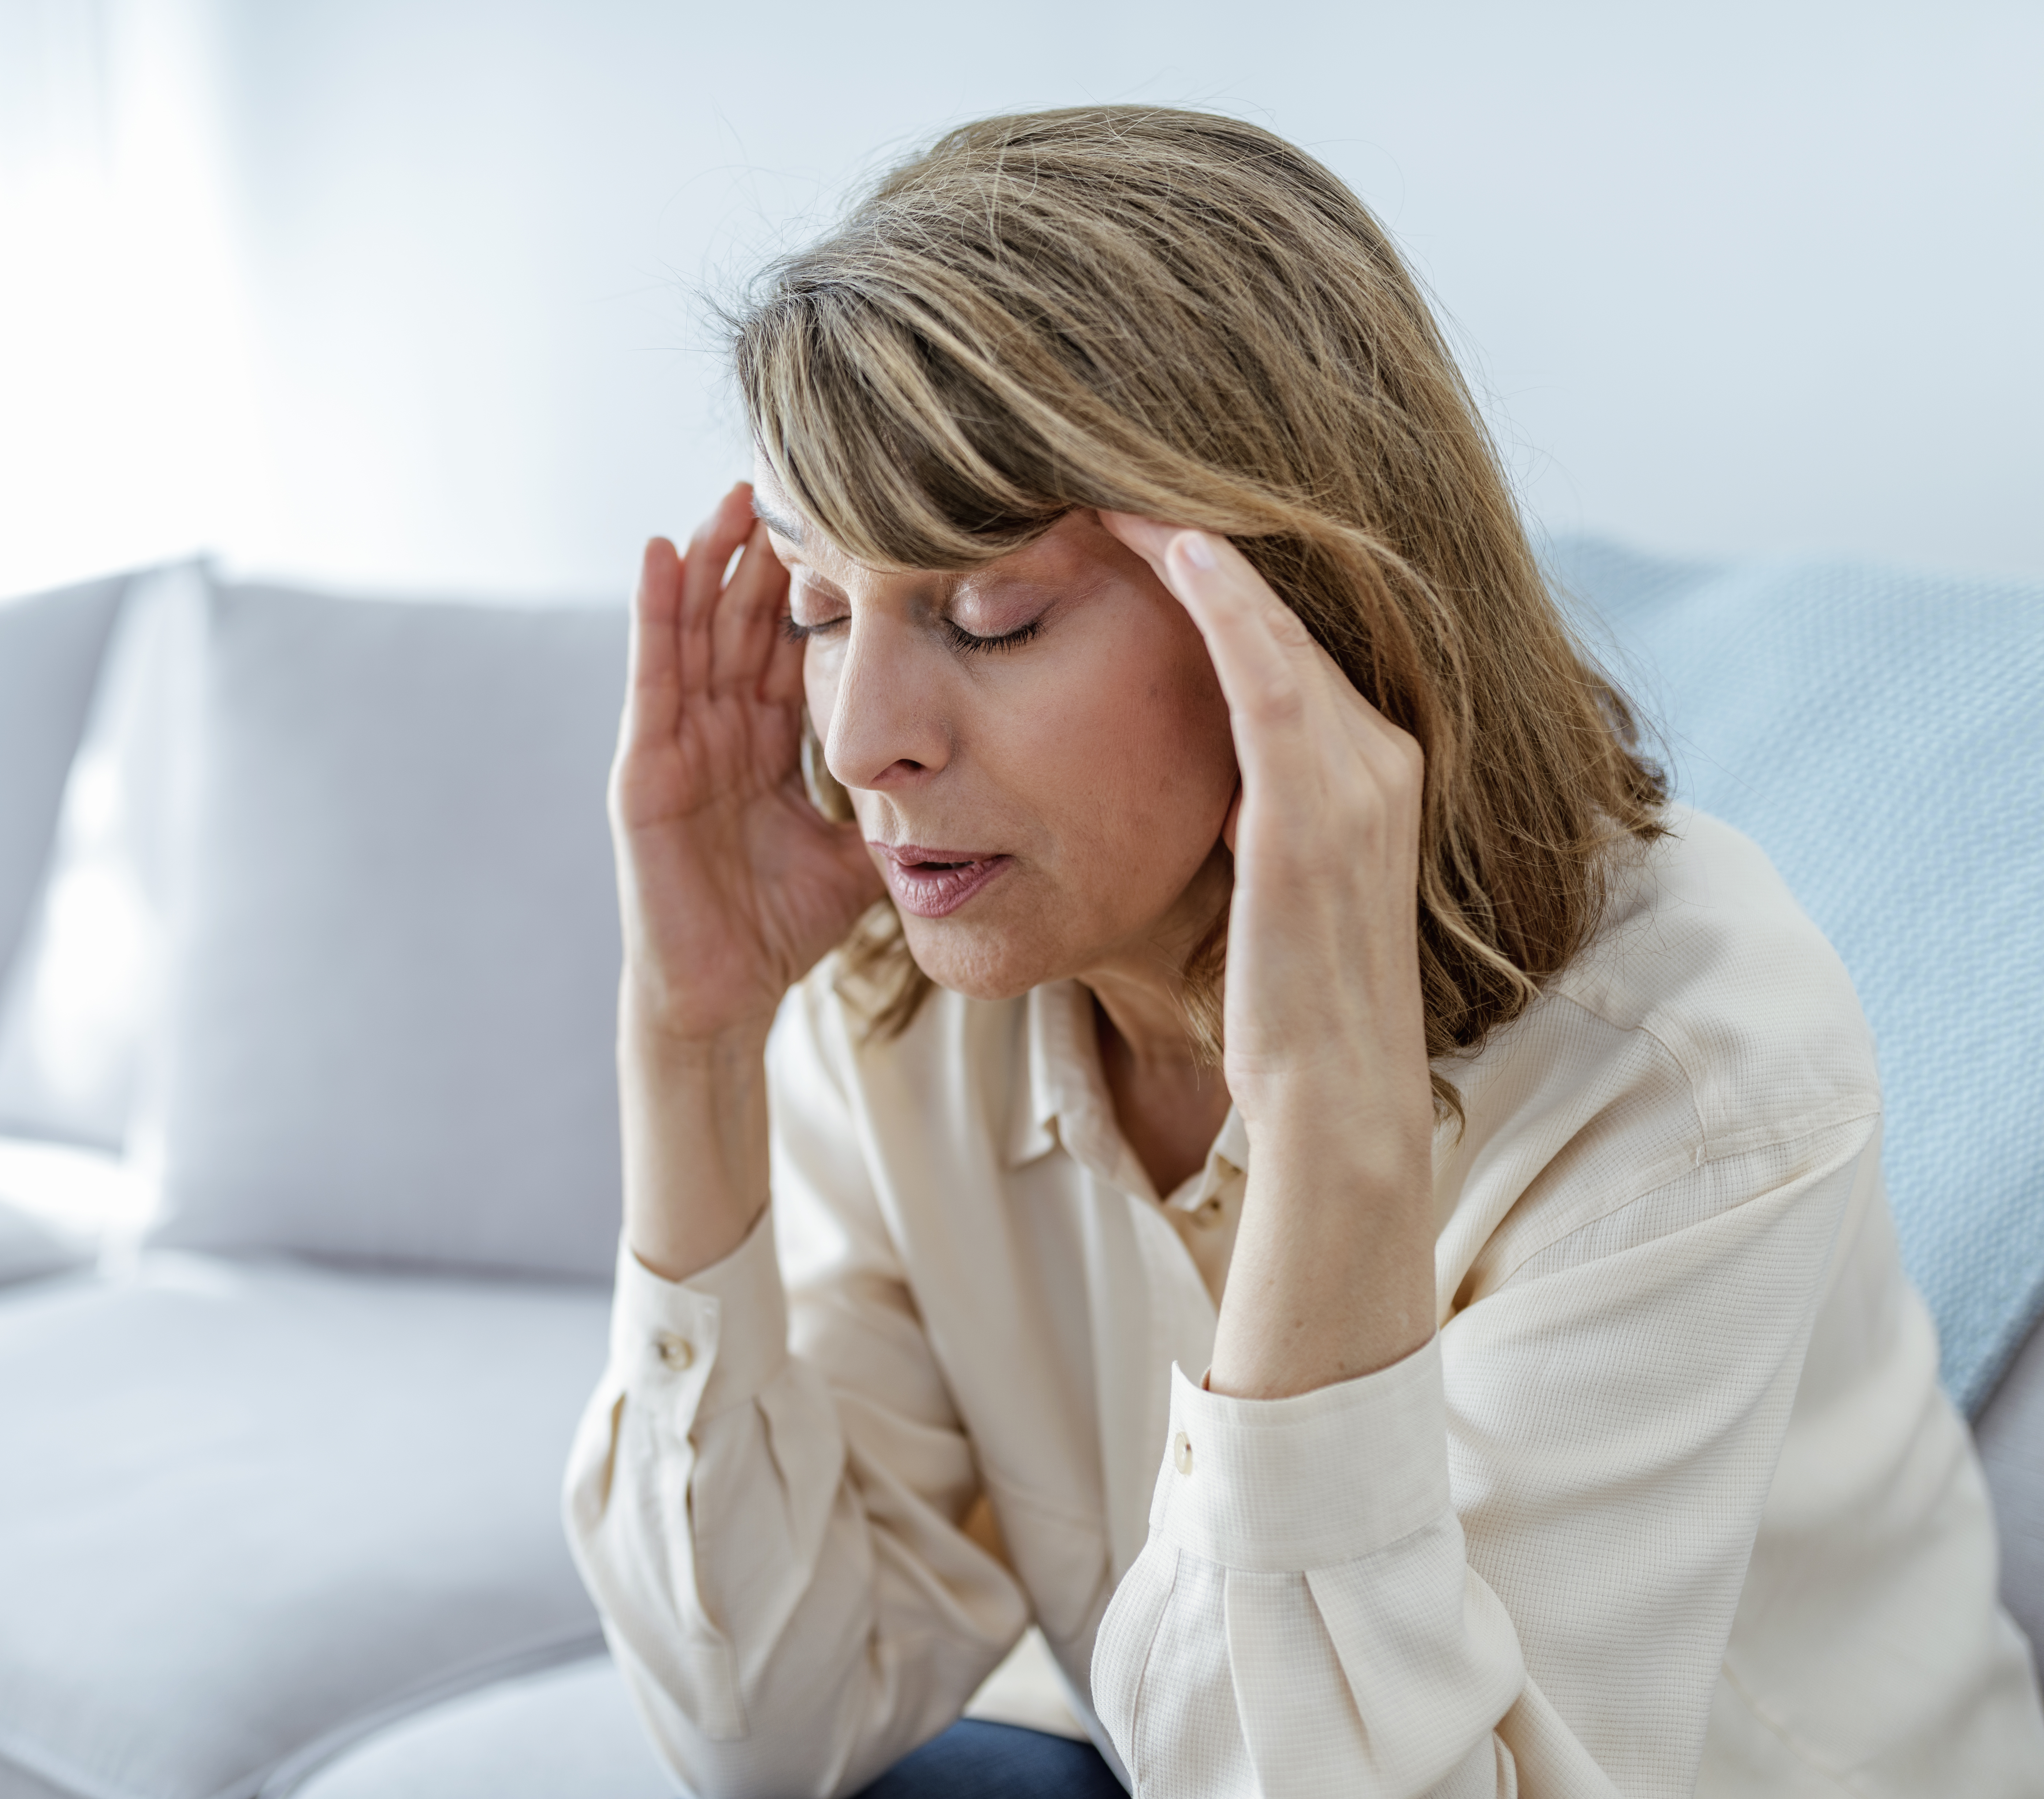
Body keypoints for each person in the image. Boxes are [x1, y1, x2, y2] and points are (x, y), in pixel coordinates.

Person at [561, 105, 2044, 1797]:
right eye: (827, 611)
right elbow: (768, 1731)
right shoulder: (914, 983)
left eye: (988, 615)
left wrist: (1331, 1125)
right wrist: (690, 1038)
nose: (862, 741)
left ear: (1302, 608)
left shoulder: (1690, 1050)